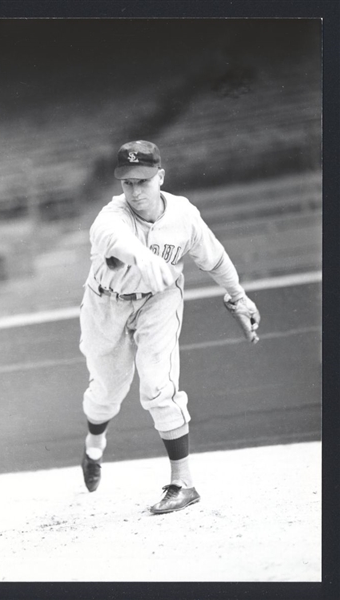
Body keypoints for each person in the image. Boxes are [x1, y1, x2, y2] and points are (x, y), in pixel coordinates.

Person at [79, 140, 260, 514]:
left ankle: (184, 483)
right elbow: (115, 241)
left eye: (143, 181)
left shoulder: (183, 215)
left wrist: (238, 296)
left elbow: (214, 258)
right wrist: (142, 258)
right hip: (105, 304)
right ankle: (94, 448)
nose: (135, 190)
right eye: (127, 182)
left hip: (158, 301)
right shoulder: (110, 218)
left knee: (158, 385)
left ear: (160, 177)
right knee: (106, 393)